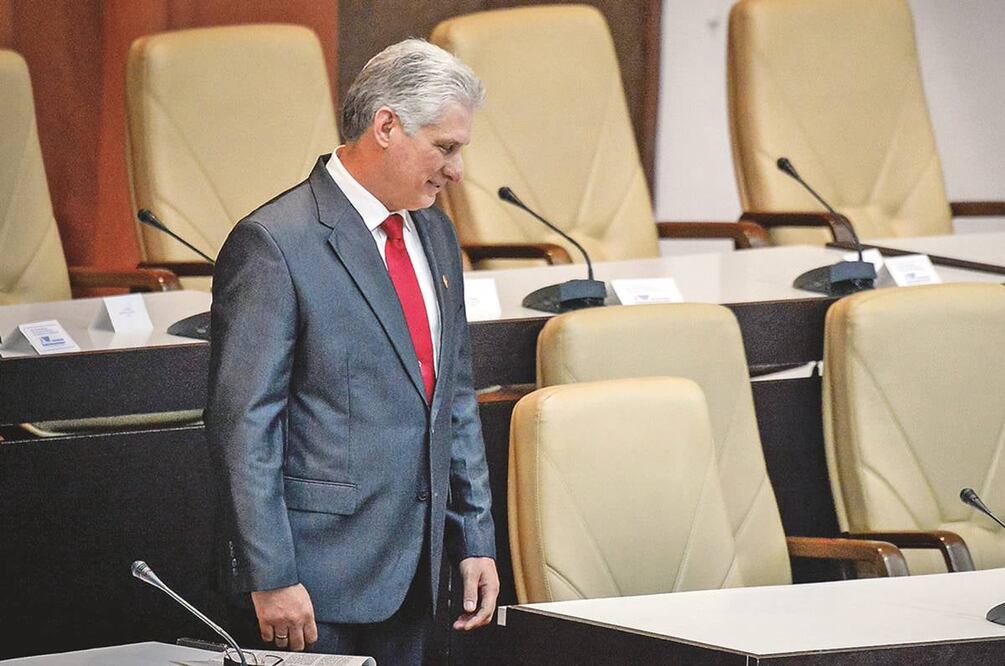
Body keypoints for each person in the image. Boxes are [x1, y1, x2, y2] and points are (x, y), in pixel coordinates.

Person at [205, 39, 498, 663]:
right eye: (444, 148)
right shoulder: (274, 243)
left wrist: (474, 535)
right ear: (386, 125)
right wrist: (271, 574)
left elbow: (455, 394)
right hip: (312, 585)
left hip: (417, 573)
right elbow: (244, 426)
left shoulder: (436, 233)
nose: (457, 172)